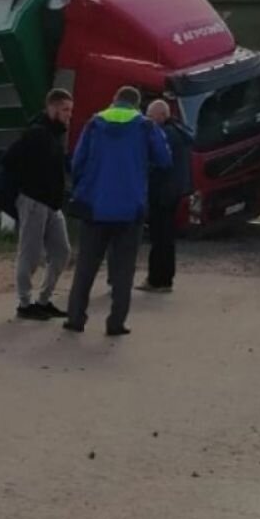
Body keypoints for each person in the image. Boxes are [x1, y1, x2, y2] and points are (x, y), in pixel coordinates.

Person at [63, 86, 171, 337]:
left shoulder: (94, 123)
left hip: (95, 206)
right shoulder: (146, 127)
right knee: (124, 270)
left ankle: (76, 318)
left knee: (86, 267)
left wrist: (81, 187)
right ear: (137, 105)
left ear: (114, 100)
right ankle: (116, 323)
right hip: (130, 209)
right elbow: (165, 160)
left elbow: (77, 162)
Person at [2, 88, 73, 321]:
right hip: (34, 201)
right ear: (52, 108)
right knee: (30, 254)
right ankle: (25, 303)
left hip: (52, 204)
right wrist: (27, 186)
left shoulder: (54, 134)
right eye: (65, 110)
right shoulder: (36, 133)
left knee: (62, 251)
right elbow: (10, 160)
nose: (68, 115)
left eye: (70, 110)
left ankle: (44, 300)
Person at [138, 100, 192, 293]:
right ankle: (165, 279)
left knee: (159, 237)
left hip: (162, 192)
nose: (149, 121)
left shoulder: (165, 134)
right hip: (174, 191)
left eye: (151, 117)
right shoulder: (179, 132)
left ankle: (156, 279)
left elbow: (158, 162)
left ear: (162, 115)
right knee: (167, 238)